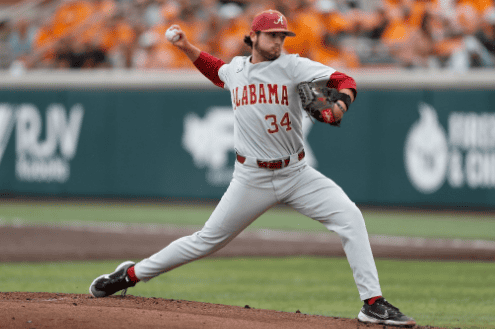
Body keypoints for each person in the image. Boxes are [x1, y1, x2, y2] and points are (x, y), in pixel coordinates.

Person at [89, 9, 416, 327]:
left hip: (297, 173)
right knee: (206, 241)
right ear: (254, 36)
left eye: (282, 36)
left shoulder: (294, 66)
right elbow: (214, 69)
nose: (278, 41)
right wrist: (186, 46)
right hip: (252, 178)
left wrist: (340, 104)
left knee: (350, 217)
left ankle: (373, 304)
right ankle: (129, 274)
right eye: (272, 35)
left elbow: (345, 79)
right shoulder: (236, 71)